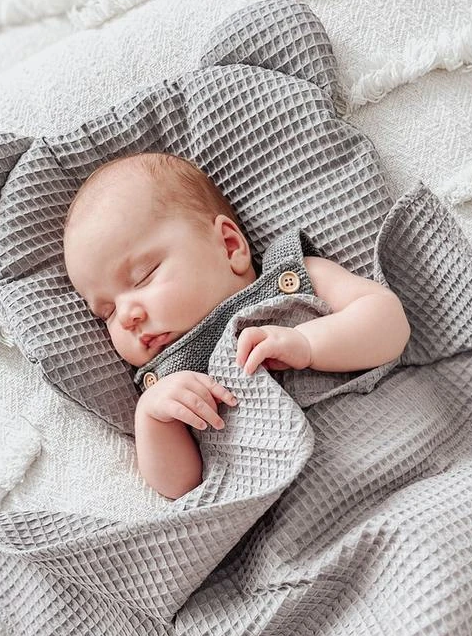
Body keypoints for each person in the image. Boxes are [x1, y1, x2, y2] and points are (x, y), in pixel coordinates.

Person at [62, 151, 411, 499]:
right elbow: (181, 488)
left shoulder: (290, 281)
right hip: (295, 514)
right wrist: (153, 420)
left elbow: (390, 322)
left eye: (143, 276)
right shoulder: (169, 384)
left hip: (390, 454)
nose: (126, 316)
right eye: (107, 312)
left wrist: (308, 343)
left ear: (229, 247)